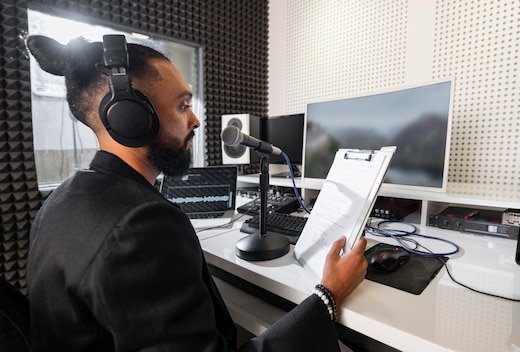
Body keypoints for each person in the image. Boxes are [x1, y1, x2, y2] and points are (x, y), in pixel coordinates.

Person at [26, 34, 368, 352]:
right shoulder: (141, 225)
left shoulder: (61, 200)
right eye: (182, 105)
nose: (196, 121)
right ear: (131, 118)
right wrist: (328, 295)